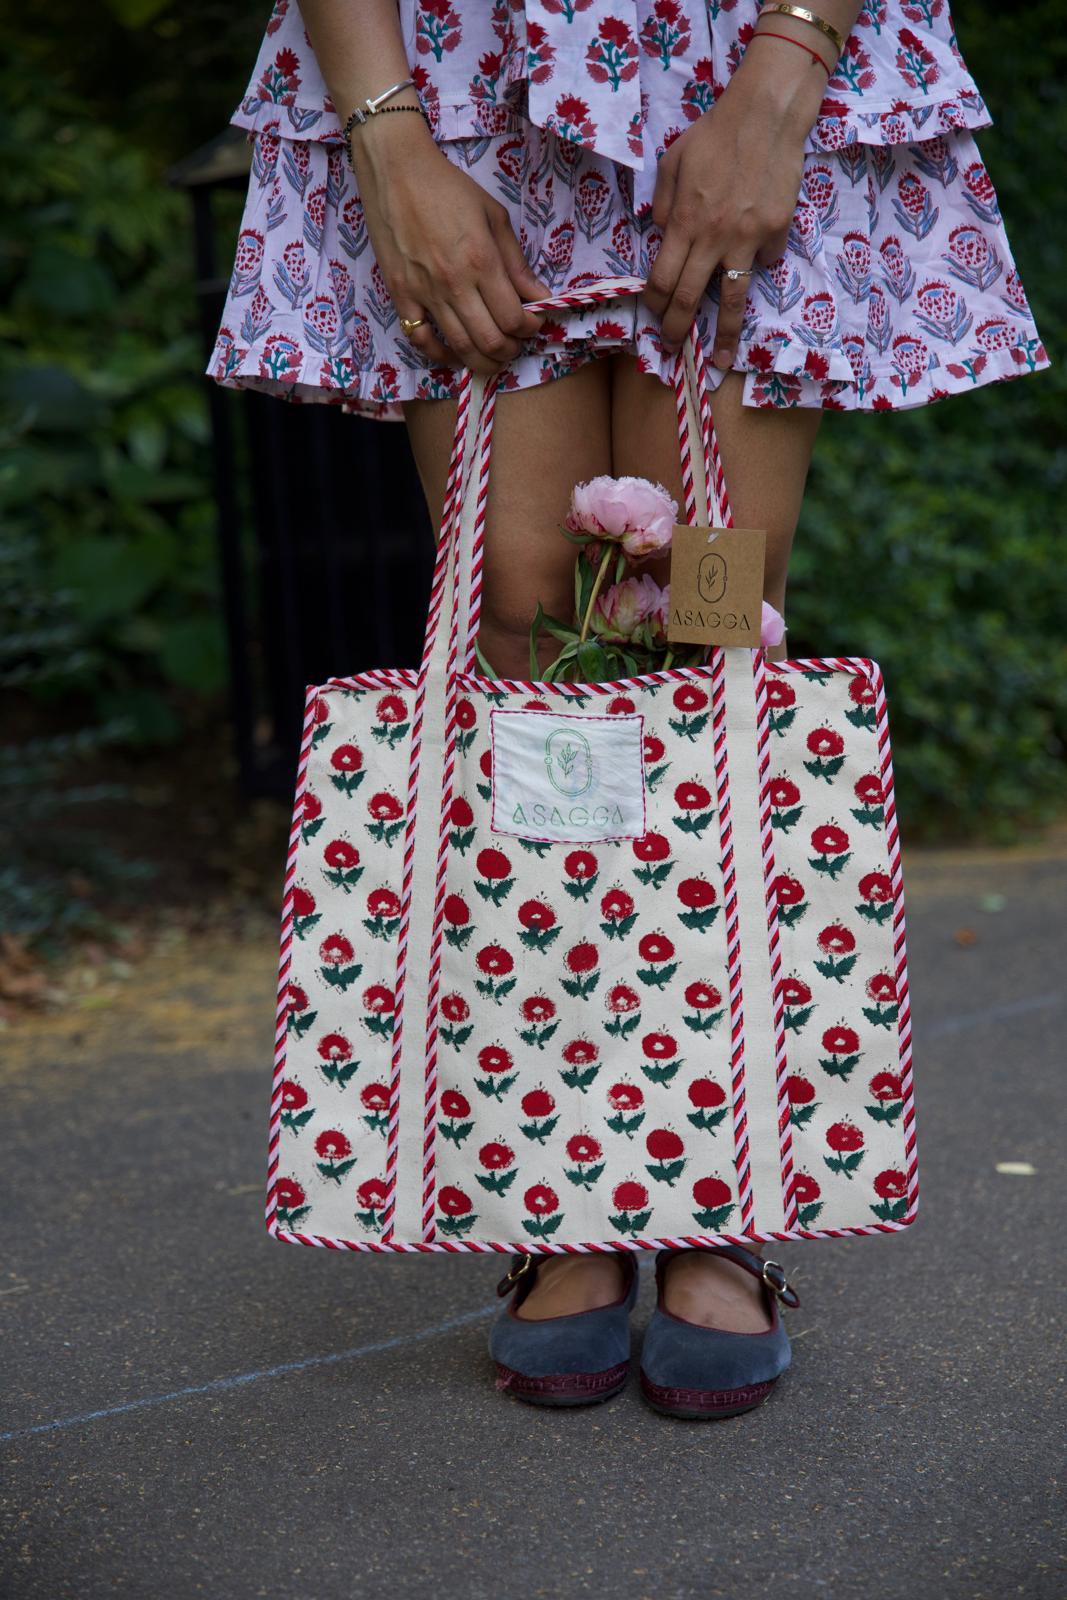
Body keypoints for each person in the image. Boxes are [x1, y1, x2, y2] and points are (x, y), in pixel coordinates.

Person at [209, 0, 1047, 1416]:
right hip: (453, 64)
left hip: (742, 44)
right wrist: (385, 130)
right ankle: (573, 1176)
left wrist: (785, 73)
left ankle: (717, 1186)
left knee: (714, 601)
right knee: (524, 609)